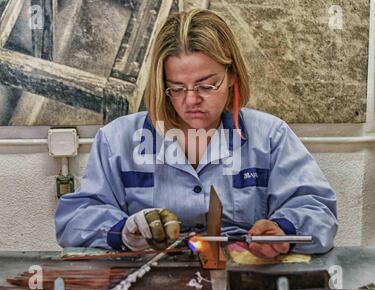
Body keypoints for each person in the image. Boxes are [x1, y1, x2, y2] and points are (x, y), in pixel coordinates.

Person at [55, 8, 337, 258]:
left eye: (207, 85)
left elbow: (317, 211)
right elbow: (74, 220)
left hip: (240, 286)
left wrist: (282, 231)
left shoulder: (270, 136)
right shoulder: (117, 140)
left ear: (231, 77)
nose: (191, 100)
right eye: (177, 88)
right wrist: (123, 231)